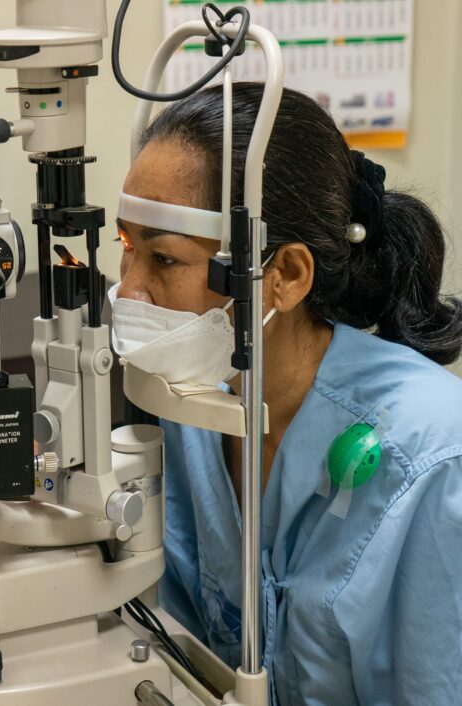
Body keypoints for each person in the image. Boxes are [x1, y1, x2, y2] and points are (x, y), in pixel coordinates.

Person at [110, 83, 462, 705]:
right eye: (127, 249)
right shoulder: (189, 409)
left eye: (164, 260)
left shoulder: (431, 458)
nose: (129, 292)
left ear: (286, 276)